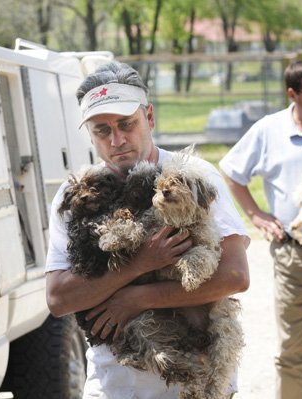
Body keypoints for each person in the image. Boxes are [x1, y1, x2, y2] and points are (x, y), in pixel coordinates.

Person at [45, 61, 250, 398]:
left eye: (127, 124)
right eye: (102, 130)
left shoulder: (194, 176)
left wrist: (136, 299)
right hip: (115, 386)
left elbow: (234, 276)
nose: (117, 140)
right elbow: (58, 298)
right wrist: (139, 263)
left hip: (195, 385)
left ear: (149, 118)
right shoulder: (77, 195)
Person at [218, 59, 302, 399]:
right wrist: (256, 215)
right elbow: (231, 171)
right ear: (292, 94)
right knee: (290, 351)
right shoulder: (268, 129)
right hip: (293, 254)